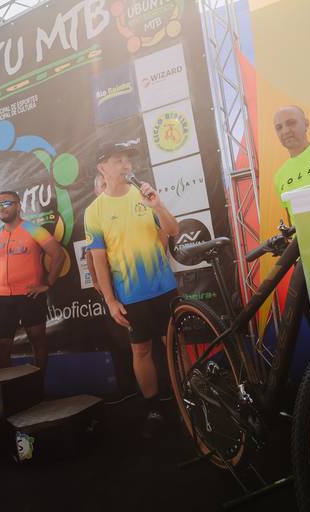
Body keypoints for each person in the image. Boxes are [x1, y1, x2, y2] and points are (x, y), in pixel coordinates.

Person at [84, 140, 179, 438]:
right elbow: (98, 259)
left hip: (164, 287)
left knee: (174, 343)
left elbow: (173, 230)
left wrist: (158, 205)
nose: (126, 165)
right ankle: (154, 408)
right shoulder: (94, 211)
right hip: (131, 295)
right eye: (118, 160)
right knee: (141, 349)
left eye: (127, 160)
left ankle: (188, 395)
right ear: (102, 168)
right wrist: (110, 301)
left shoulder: (144, 195)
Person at [0, 191, 65, 376]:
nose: (1, 208)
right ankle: (7, 389)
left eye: (6, 203)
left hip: (30, 295)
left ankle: (38, 385)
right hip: (3, 298)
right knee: (1, 347)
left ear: (18, 206)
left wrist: (48, 283)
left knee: (38, 341)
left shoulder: (34, 230)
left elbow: (58, 255)